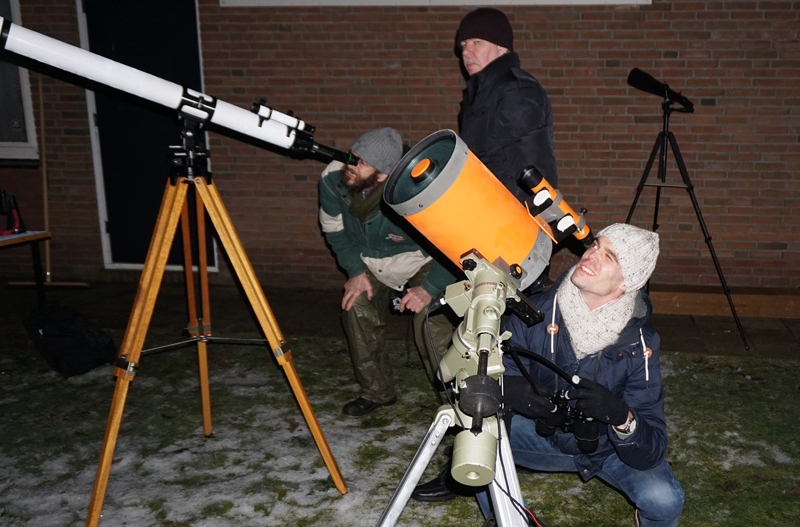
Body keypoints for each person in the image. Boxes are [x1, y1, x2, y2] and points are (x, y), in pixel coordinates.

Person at [415, 223, 685, 527]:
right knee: (476, 439)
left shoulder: (642, 344)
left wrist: (621, 417)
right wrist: (506, 388)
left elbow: (653, 445)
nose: (591, 255)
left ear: (627, 283)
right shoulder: (534, 314)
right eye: (596, 245)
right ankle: (510, 517)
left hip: (609, 450)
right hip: (542, 438)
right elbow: (479, 374)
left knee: (665, 502)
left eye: (610, 256)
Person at [318, 127, 457, 417]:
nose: (351, 166)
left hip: (419, 260)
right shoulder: (333, 178)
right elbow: (334, 230)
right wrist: (355, 271)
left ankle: (454, 402)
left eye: (361, 162)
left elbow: (452, 246)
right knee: (355, 307)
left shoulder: (417, 191)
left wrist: (430, 288)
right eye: (352, 156)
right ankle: (377, 391)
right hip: (367, 260)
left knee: (429, 320)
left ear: (383, 174)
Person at [456, 7, 559, 202]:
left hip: (506, 221)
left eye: (477, 42)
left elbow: (535, 174)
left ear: (502, 48)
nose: (466, 52)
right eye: (464, 45)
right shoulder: (477, 98)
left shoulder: (515, 91)